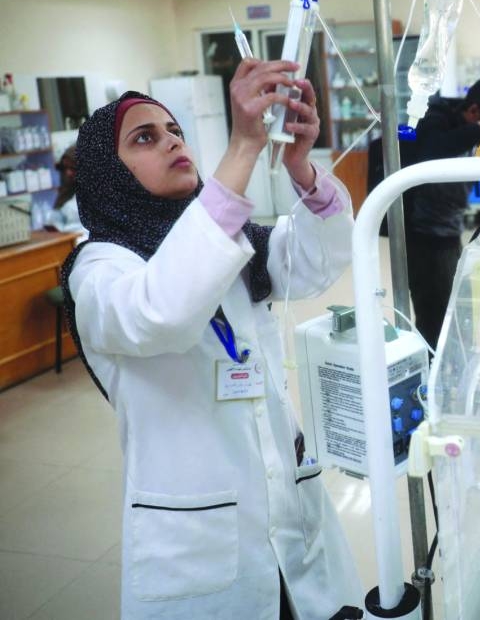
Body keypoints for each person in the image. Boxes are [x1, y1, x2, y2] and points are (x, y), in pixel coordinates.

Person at [60, 59, 363, 619]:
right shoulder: (99, 269)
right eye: (145, 138)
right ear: (108, 171)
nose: (172, 141)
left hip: (283, 496)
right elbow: (163, 312)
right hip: (196, 529)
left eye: (174, 130)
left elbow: (314, 263)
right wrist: (243, 148)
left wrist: (299, 167)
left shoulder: (231, 238)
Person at [403, 77, 480, 347]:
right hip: (422, 235)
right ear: (474, 111)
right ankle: (432, 380)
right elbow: (433, 150)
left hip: (449, 230)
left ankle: (457, 365)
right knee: (436, 317)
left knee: (460, 308)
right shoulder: (435, 119)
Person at [44, 144, 86, 238]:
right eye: (65, 168)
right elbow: (54, 219)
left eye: (73, 168)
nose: (68, 173)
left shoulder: (99, 192)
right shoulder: (67, 191)